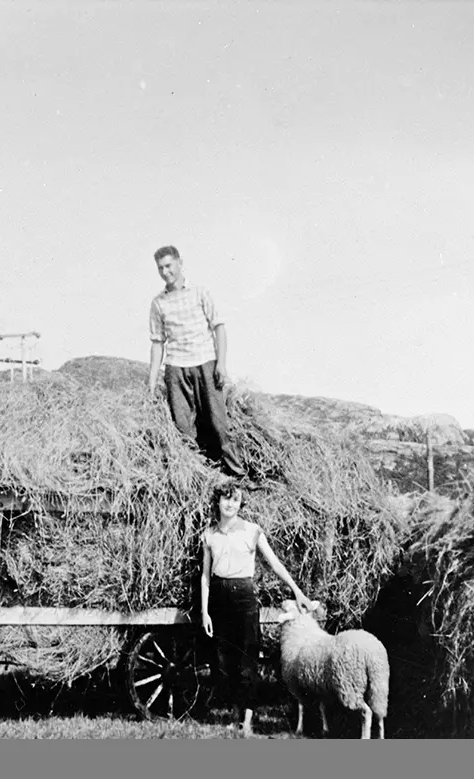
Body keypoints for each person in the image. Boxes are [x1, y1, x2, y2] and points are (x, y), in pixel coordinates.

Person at [200, 482, 314, 736]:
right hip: (218, 596)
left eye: (236, 500)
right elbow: (205, 576)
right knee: (223, 661)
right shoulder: (209, 535)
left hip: (244, 596)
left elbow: (275, 564)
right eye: (225, 499)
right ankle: (234, 714)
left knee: (247, 658)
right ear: (217, 501)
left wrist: (297, 591)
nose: (230, 504)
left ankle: (248, 722)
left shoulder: (252, 531)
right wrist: (205, 611)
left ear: (241, 504)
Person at [146, 245, 247, 480]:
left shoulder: (200, 292)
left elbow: (219, 328)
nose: (165, 272)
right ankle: (199, 477)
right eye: (160, 268)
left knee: (218, 423)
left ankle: (239, 475)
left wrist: (221, 364)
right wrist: (152, 381)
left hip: (205, 362)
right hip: (176, 368)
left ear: (180, 263)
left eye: (169, 266)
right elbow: (157, 342)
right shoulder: (158, 303)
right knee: (183, 427)